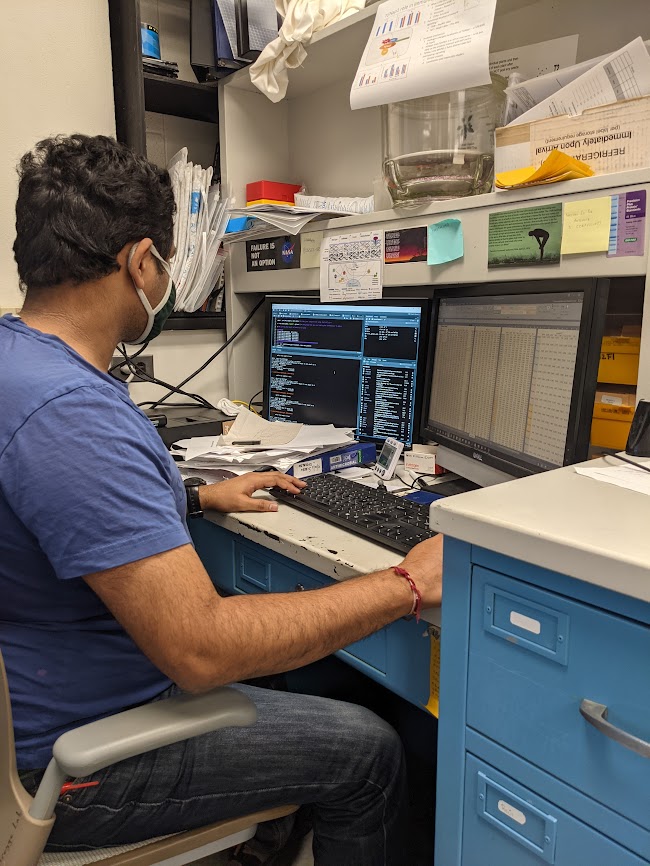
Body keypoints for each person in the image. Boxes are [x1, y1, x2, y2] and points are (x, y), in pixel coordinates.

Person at [0, 134, 443, 865]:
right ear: (143, 261)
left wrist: (195, 501)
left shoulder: (19, 362)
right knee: (368, 750)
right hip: (71, 764)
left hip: (43, 699)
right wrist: (406, 583)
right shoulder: (74, 413)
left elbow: (55, 506)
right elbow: (202, 651)